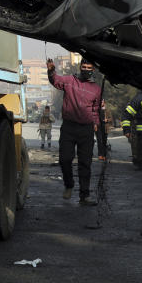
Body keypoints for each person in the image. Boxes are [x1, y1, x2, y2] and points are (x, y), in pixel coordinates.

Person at [47, 58, 102, 206]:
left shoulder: (96, 89)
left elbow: (95, 109)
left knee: (85, 163)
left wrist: (96, 123)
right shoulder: (70, 81)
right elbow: (55, 80)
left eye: (88, 67)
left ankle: (85, 196)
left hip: (86, 129)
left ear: (93, 70)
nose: (85, 69)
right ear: (80, 67)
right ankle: (69, 184)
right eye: (83, 66)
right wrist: (51, 71)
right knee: (65, 159)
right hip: (69, 128)